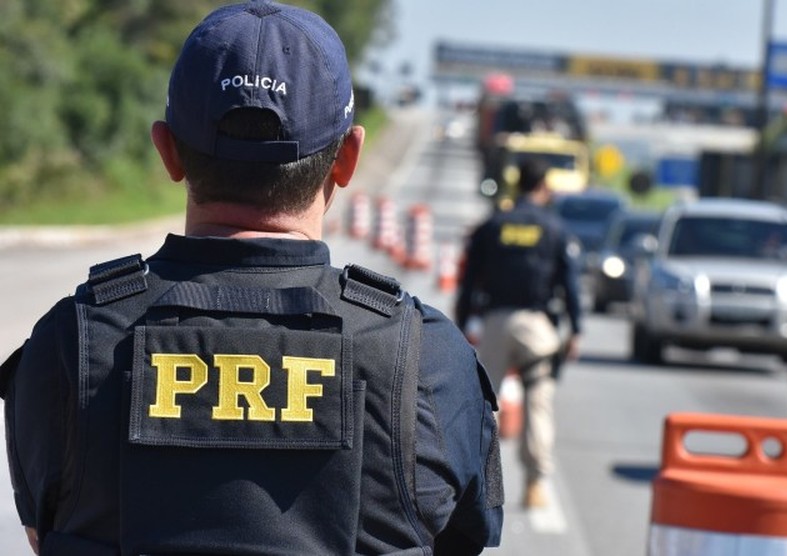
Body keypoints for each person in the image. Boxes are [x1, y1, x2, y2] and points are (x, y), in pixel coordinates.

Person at [0, 2, 502, 554]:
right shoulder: (426, 358)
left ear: (167, 151)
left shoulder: (68, 343)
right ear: (348, 158)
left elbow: (40, 533)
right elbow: (462, 538)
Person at [455, 157, 582, 509]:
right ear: (543, 187)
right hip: (537, 327)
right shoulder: (555, 229)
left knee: (484, 406)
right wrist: (577, 330)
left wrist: (464, 321)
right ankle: (535, 484)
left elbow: (469, 280)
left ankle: (473, 485)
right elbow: (569, 283)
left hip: (496, 322)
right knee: (538, 403)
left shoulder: (494, 225)